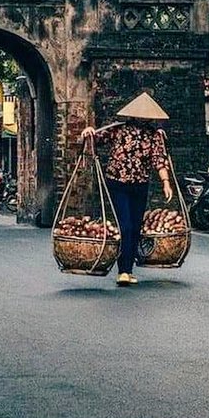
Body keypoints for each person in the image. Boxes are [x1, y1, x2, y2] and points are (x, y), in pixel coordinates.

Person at [81, 92, 173, 287]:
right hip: (118, 182)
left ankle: (128, 269)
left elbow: (159, 160)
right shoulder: (118, 130)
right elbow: (96, 138)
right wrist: (89, 130)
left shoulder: (155, 135)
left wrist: (166, 182)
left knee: (135, 226)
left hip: (140, 184)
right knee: (125, 225)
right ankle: (123, 270)